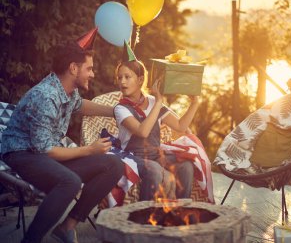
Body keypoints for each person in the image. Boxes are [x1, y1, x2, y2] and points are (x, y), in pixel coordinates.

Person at [0, 28, 124, 243]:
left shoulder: (68, 90)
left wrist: (115, 111)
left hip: (44, 153)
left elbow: (81, 105)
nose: (93, 74)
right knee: (70, 182)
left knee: (113, 165)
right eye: (89, 69)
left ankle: (67, 225)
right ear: (73, 68)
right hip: (21, 154)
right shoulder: (45, 97)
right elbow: (45, 151)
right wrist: (88, 150)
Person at [113, 42, 199, 200]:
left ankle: (181, 212)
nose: (122, 82)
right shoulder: (121, 109)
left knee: (186, 166)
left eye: (127, 77)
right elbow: (142, 131)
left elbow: (181, 126)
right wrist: (159, 102)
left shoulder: (152, 101)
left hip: (155, 154)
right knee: (153, 169)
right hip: (132, 157)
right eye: (120, 78)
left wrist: (194, 104)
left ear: (140, 80)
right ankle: (144, 216)